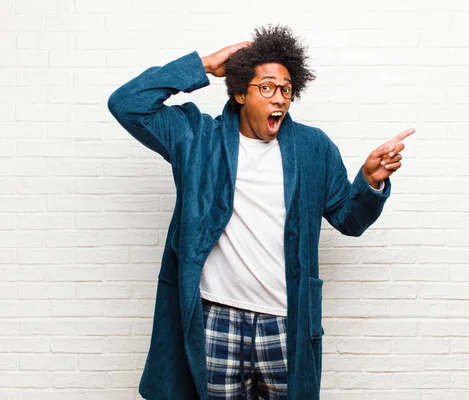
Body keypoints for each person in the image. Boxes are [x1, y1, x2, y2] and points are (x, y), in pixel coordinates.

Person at [108, 25, 414, 400]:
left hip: (286, 323)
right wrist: (202, 65)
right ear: (240, 93)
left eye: (286, 89)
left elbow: (349, 221)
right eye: (266, 87)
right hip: (216, 319)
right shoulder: (197, 138)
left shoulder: (313, 147)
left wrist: (369, 182)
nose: (279, 99)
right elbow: (127, 103)